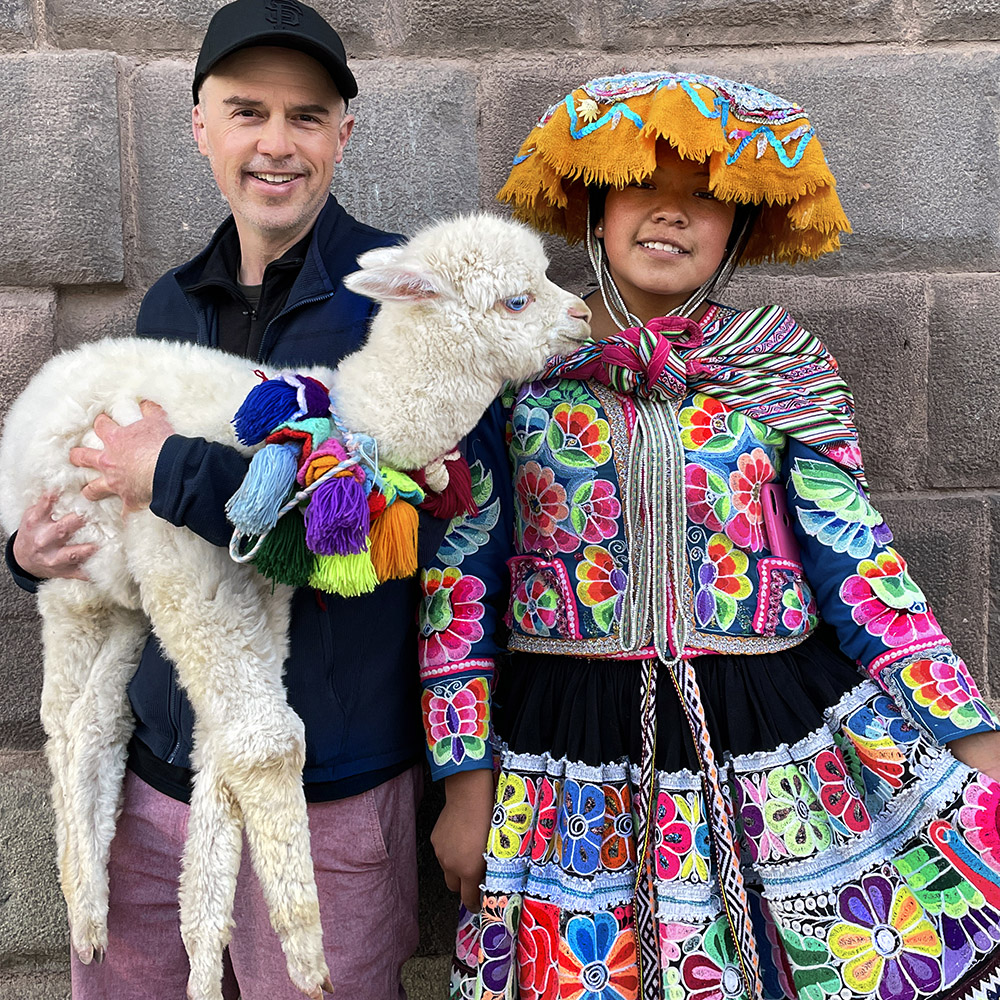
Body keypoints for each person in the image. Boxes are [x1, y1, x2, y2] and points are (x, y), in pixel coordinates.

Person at [419, 72, 1000, 1000]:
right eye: (642, 187)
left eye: (706, 198)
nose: (671, 215)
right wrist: (462, 784)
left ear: (739, 227)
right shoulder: (517, 368)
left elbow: (861, 562)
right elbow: (460, 579)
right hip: (565, 746)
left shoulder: (781, 366)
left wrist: (970, 737)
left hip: (767, 737)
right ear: (598, 210)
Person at [5, 1, 435, 996]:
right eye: (247, 111)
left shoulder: (399, 303)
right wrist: (36, 553)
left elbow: (395, 534)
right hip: (154, 780)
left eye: (305, 115)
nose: (275, 144)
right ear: (200, 126)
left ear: (342, 134)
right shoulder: (169, 306)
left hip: (323, 787)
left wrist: (176, 472)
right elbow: (126, 524)